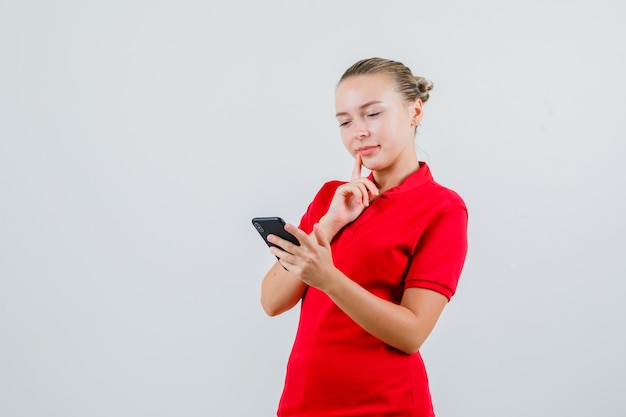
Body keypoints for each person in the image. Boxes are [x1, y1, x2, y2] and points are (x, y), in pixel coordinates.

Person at [260, 57, 468, 417]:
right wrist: (328, 225)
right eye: (345, 121)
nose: (358, 131)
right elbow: (272, 301)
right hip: (304, 403)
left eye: (373, 114)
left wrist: (329, 279)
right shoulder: (331, 198)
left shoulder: (442, 208)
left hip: (387, 405)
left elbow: (412, 332)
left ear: (414, 111)